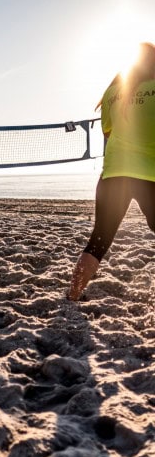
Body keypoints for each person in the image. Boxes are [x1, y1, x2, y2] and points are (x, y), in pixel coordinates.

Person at [68, 42, 155, 300]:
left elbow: (109, 133)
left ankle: (72, 295)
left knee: (100, 237)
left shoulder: (111, 93)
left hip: (114, 172)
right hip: (150, 174)